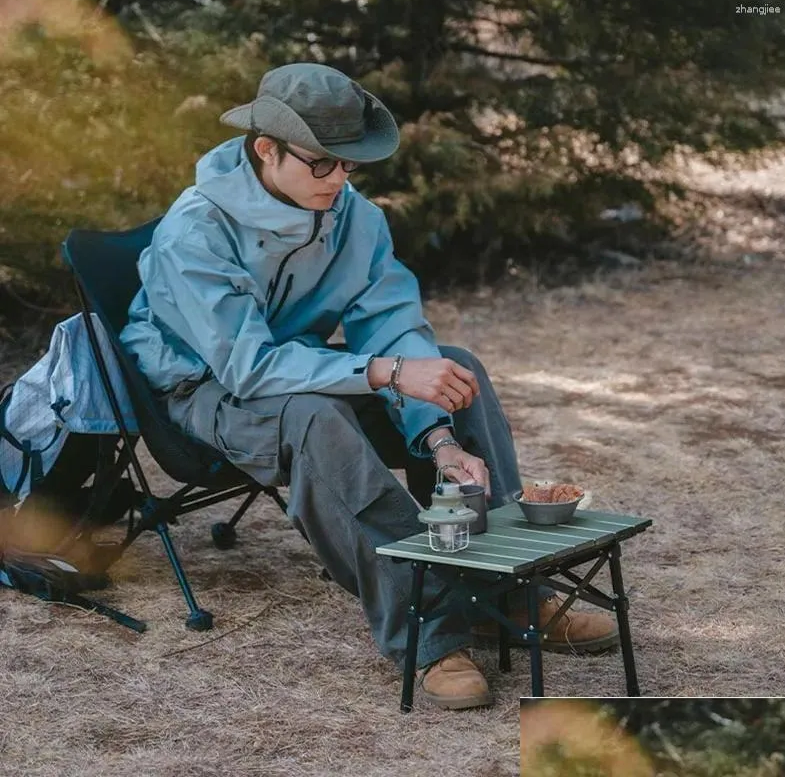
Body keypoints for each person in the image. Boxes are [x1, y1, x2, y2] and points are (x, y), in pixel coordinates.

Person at [120, 63, 618, 710]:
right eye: (322, 163)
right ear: (265, 149)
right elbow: (247, 368)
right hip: (203, 388)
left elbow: (392, 325)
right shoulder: (197, 229)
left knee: (453, 363)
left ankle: (507, 589)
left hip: (298, 365)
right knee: (313, 418)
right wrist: (384, 372)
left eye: (350, 164)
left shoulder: (352, 216)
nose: (340, 180)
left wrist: (438, 437)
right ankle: (432, 632)